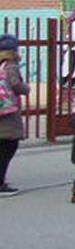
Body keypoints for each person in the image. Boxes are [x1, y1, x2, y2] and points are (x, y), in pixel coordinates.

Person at [0, 34, 30, 197]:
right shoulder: (10, 66)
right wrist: (26, 88)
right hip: (7, 112)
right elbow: (16, 85)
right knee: (8, 146)